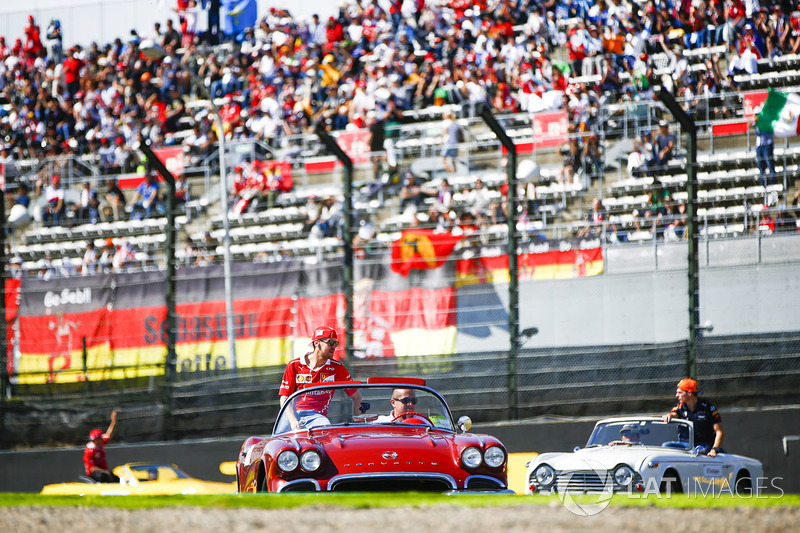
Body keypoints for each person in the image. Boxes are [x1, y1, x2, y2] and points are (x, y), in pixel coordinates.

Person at [278, 326, 363, 430]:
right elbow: (284, 397)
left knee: (325, 429)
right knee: (279, 439)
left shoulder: (337, 368)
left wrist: (358, 424)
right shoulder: (294, 365)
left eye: (335, 343)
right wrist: (293, 421)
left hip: (317, 417)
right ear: (317, 343)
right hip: (292, 415)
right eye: (330, 343)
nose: (334, 347)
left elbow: (357, 397)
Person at [662, 378, 724, 457]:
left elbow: (719, 432)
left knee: (697, 452)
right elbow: (674, 414)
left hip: (703, 446)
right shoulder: (680, 406)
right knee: (666, 446)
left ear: (689, 393)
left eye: (680, 392)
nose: (677, 395)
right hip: (685, 445)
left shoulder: (708, 408)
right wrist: (669, 416)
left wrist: (714, 449)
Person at [83, 410, 119, 483]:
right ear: (94, 441)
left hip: (104, 470)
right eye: (99, 439)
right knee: (104, 477)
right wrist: (105, 471)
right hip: (96, 473)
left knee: (116, 478)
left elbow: (108, 434)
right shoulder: (90, 451)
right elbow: (92, 468)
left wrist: (113, 421)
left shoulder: (100, 444)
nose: (102, 440)